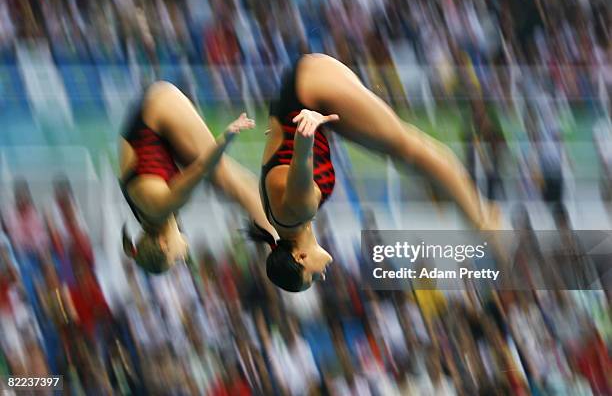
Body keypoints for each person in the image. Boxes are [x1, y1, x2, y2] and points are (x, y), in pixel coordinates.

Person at [251, 54, 501, 292]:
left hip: (310, 89)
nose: (322, 275)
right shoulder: (279, 219)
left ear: (300, 256)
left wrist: (307, 133)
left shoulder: (298, 211)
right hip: (300, 91)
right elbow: (282, 154)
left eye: (313, 276)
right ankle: (474, 212)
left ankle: (481, 220)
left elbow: (300, 162)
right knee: (403, 155)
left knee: (410, 150)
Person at [119, 81, 275, 274]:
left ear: (163, 244)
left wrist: (227, 135)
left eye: (175, 259)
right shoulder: (151, 217)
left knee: (226, 179)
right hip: (151, 125)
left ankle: (283, 246)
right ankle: (278, 228)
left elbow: (202, 167)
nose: (183, 257)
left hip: (157, 108)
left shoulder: (161, 206)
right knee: (234, 186)